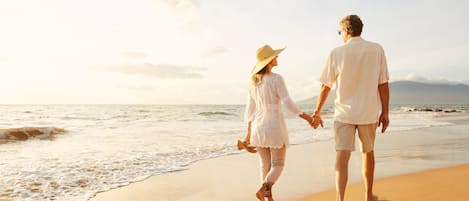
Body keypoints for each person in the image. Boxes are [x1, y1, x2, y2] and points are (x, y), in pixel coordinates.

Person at [311, 15, 390, 201]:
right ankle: (368, 195)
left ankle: (340, 199)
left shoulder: (337, 53)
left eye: (340, 32)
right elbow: (383, 84)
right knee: (368, 153)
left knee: (342, 155)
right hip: (368, 112)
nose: (340, 35)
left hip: (344, 113)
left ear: (346, 31)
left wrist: (317, 112)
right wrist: (385, 112)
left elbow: (326, 86)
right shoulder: (377, 49)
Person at [243, 44, 313, 201]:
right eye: (275, 56)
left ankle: (268, 198)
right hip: (273, 126)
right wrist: (308, 118)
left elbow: (250, 110)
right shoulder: (276, 79)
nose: (277, 57)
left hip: (257, 128)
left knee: (265, 165)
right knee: (278, 164)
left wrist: (248, 133)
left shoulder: (253, 82)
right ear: (268, 61)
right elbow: (288, 103)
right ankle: (264, 190)